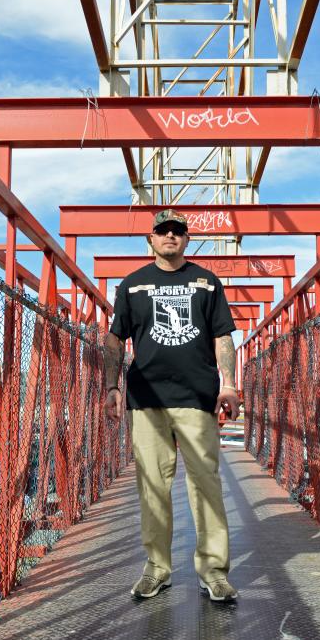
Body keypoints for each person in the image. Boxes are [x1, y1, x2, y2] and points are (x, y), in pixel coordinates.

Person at [103, 209, 240, 603]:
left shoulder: (207, 284)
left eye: (178, 231)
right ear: (151, 239)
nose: (170, 236)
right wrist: (111, 386)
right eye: (162, 231)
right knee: (152, 487)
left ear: (186, 239)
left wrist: (229, 384)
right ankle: (157, 569)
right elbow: (115, 340)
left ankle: (214, 572)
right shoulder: (132, 286)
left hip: (196, 397)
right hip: (146, 400)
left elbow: (223, 337)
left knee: (206, 484)